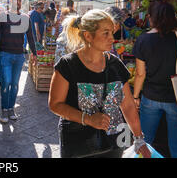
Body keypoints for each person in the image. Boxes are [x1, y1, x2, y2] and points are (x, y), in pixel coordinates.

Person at [49, 9, 151, 158]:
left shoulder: (116, 65)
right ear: (88, 36)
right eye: (106, 33)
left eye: (112, 32)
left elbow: (128, 105)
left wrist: (139, 138)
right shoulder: (68, 65)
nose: (112, 38)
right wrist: (88, 119)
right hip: (78, 145)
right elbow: (55, 104)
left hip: (114, 144)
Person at [132, 1, 177, 158]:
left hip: (150, 98)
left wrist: (135, 96)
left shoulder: (143, 40)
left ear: (151, 18)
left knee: (144, 143)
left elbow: (140, 74)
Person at [0, 0, 38, 123]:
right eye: (17, 0)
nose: (19, 3)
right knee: (6, 83)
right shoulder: (3, 17)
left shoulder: (26, 18)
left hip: (19, 56)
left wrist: (35, 53)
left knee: (15, 84)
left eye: (21, 1)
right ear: (12, 2)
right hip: (5, 55)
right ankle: (4, 110)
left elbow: (31, 37)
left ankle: (11, 109)